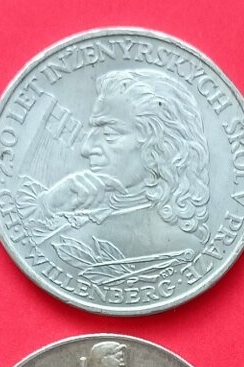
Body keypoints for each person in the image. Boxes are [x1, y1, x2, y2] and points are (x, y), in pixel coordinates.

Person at [17, 69, 211, 253]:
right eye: (93, 131)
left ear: (160, 147)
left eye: (109, 134)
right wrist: (49, 204)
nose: (86, 148)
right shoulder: (84, 215)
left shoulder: (182, 247)